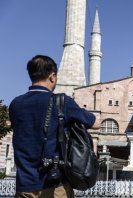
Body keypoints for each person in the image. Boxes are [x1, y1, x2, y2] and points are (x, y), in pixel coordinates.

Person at [9, 55, 100, 197]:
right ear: (52, 76)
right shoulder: (62, 102)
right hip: (54, 185)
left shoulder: (15, 104)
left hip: (24, 185)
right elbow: (94, 123)